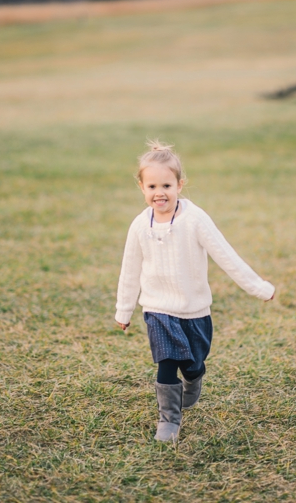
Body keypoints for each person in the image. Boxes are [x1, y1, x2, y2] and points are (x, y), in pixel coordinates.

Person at [115, 140, 275, 442]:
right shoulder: (139, 226)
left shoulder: (195, 220)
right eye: (151, 186)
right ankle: (169, 419)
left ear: (180, 184)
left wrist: (259, 288)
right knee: (167, 362)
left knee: (192, 362)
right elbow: (129, 270)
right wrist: (124, 311)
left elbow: (226, 256)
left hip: (194, 309)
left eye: (166, 185)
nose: (159, 193)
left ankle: (194, 378)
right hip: (158, 309)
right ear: (141, 187)